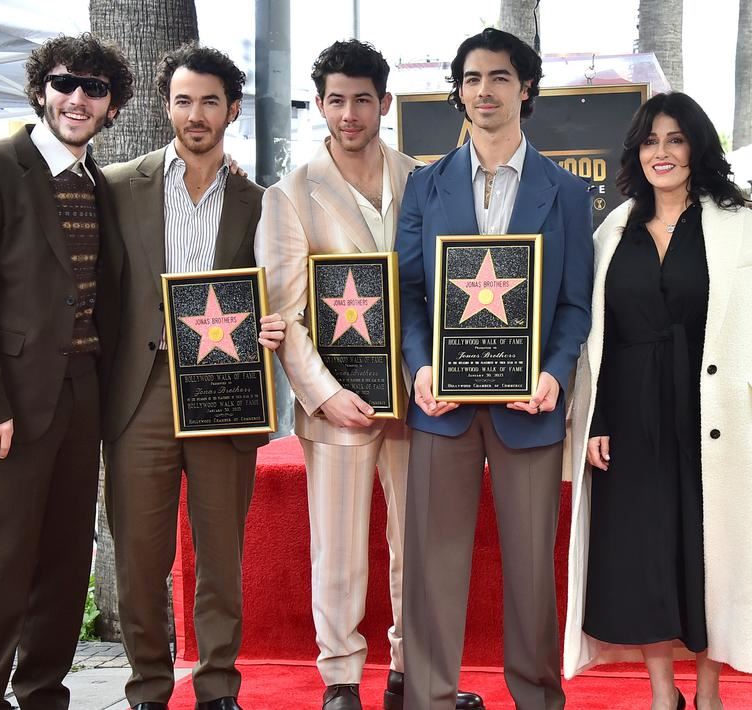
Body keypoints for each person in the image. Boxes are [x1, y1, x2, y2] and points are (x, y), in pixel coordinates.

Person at [561, 92, 752, 710]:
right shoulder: (614, 228)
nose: (662, 153)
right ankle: (665, 692)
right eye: (650, 141)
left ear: (697, 147)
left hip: (716, 416)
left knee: (710, 553)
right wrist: (595, 419)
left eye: (675, 140)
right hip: (631, 419)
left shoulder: (744, 226)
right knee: (645, 556)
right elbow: (591, 336)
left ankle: (709, 690)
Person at [256, 39, 482, 710]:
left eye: (361, 100)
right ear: (319, 105)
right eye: (335, 100)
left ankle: (413, 675)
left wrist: (438, 374)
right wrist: (326, 396)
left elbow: (445, 289)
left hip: (419, 398)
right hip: (339, 405)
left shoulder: (426, 178)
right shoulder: (289, 194)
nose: (348, 114)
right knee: (340, 551)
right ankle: (341, 681)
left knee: (418, 546)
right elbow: (284, 311)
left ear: (383, 102)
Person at [0, 33, 134, 710]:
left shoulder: (97, 183)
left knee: (64, 558)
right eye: (64, 82)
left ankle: (44, 693)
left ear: (112, 105)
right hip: (4, 403)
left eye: (95, 88)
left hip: (81, 392)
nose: (77, 97)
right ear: (40, 89)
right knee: (2, 560)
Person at [395, 28, 592, 710]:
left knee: (532, 572)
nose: (485, 90)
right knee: (430, 568)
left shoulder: (566, 193)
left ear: (525, 88)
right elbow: (410, 294)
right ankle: (426, 697)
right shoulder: (424, 187)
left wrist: (556, 372)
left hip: (528, 411)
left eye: (500, 77)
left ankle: (536, 696)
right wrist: (419, 366)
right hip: (439, 408)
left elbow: (573, 305)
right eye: (472, 78)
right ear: (458, 91)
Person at [97, 43, 284, 710]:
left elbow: (280, 294)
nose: (195, 113)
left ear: (231, 109)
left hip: (223, 396)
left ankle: (216, 689)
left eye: (209, 100)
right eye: (183, 100)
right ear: (166, 106)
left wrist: (273, 324)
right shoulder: (116, 186)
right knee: (140, 560)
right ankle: (147, 688)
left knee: (218, 560)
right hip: (137, 397)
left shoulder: (263, 204)